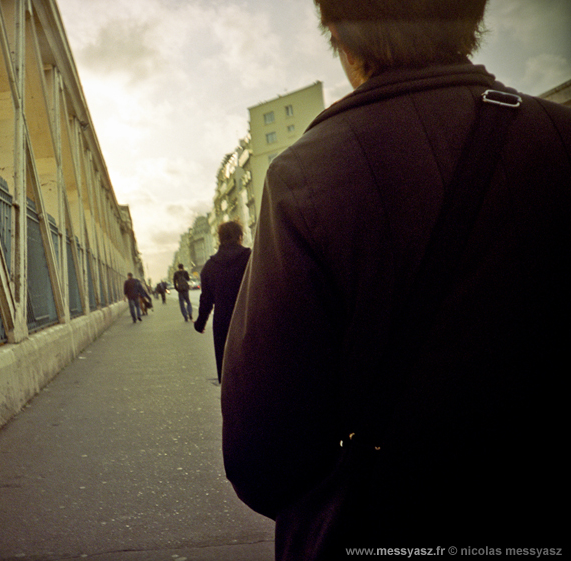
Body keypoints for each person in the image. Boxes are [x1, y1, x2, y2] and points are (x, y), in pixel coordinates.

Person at [221, 0, 569, 556]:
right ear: (471, 16)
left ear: (336, 31)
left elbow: (262, 454)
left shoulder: (305, 176)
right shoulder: (559, 136)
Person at [193, 221, 250, 383]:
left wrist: (200, 324)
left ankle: (233, 404)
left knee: (228, 370)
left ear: (219, 239)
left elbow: (206, 300)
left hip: (223, 322)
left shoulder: (210, 267)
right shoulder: (252, 258)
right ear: (240, 237)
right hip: (250, 317)